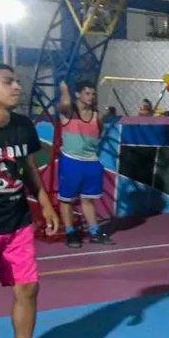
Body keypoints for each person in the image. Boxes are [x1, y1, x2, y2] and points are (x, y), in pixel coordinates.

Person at [0, 63, 62, 338]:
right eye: (8, 82)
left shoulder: (22, 126)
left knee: (28, 287)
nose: (17, 87)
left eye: (17, 82)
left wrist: (45, 204)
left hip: (17, 222)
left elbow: (28, 168)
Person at [55, 80, 112, 248]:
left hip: (91, 162)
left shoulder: (97, 117)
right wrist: (64, 88)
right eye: (87, 93)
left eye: (93, 94)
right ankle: (70, 232)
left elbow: (98, 133)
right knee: (67, 199)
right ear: (78, 94)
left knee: (88, 199)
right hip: (71, 161)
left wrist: (108, 113)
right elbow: (64, 103)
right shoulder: (67, 113)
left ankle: (94, 232)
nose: (91, 97)